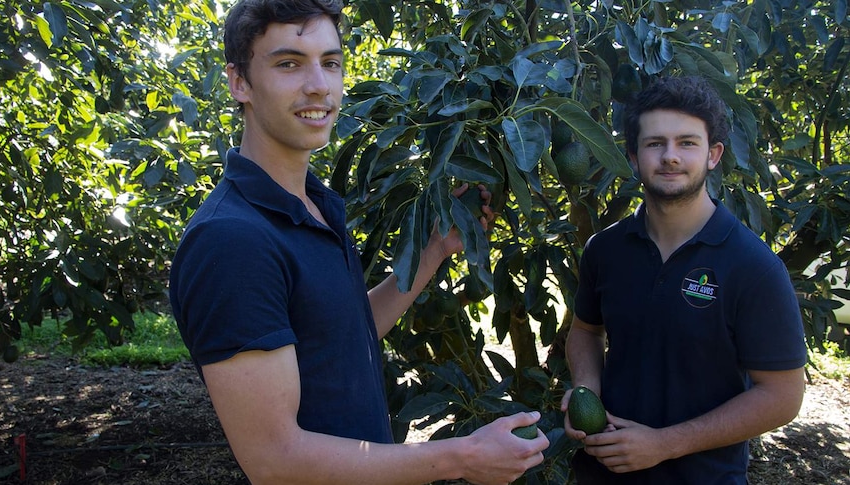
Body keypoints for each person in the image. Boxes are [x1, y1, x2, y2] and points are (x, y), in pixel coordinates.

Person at [168, 1, 549, 484]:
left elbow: (343, 336)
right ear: (239, 81)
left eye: (330, 62)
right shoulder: (232, 241)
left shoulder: (315, 207)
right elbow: (274, 459)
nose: (318, 85)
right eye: (288, 63)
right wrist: (461, 457)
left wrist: (432, 251)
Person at [560, 75, 807, 484]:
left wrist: (665, 443)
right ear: (634, 157)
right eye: (655, 143)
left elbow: (782, 397)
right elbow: (585, 331)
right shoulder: (604, 250)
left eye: (687, 143)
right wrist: (586, 393)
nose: (670, 156)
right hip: (601, 470)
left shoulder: (754, 267)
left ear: (713, 155)